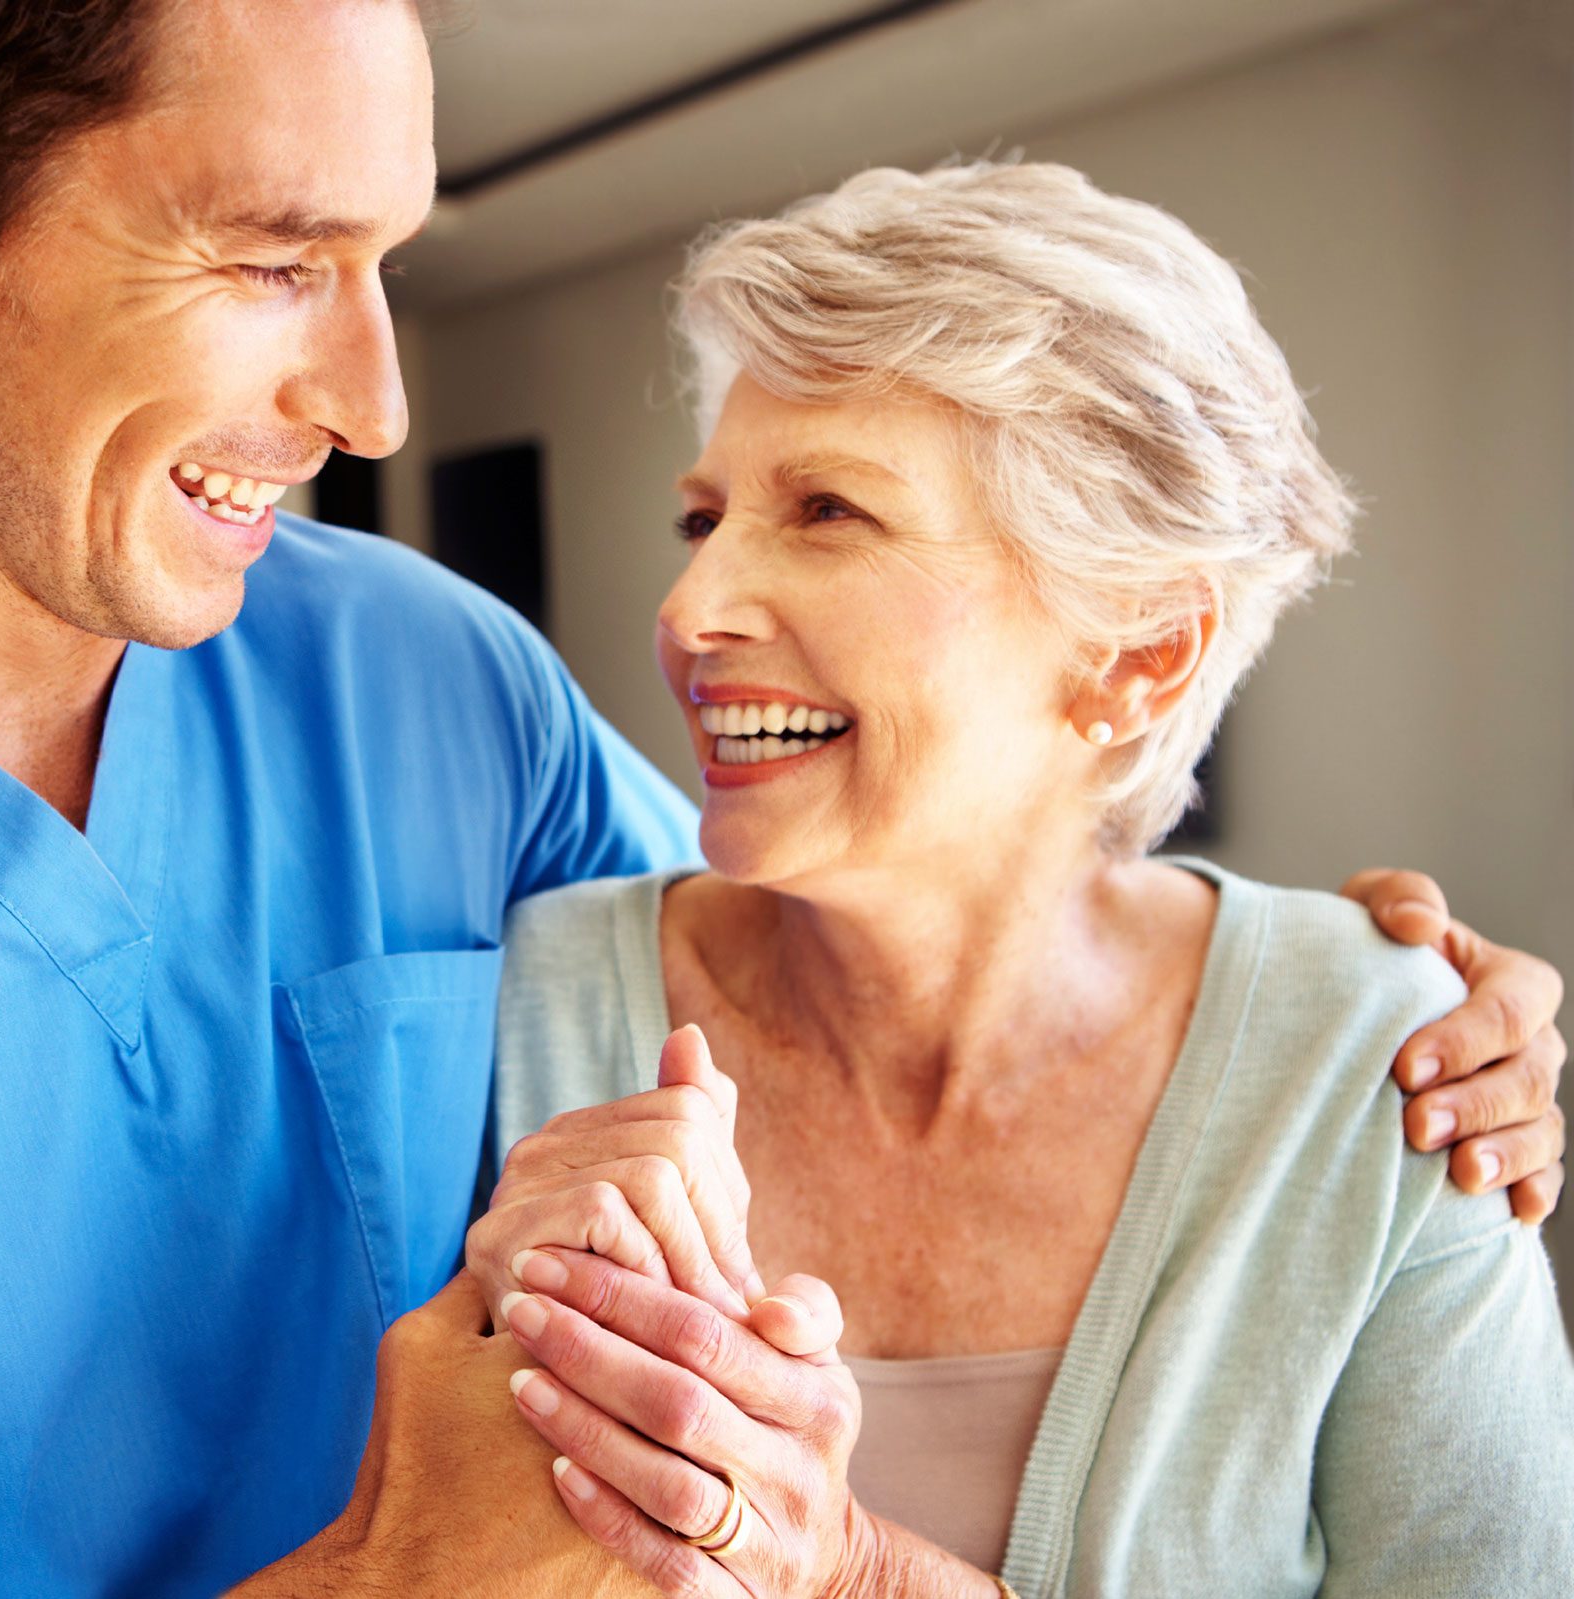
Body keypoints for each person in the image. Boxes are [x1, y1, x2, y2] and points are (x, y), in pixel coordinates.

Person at [0, 3, 1563, 1593]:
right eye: (273, 253)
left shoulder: (430, 681)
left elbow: (844, 936)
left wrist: (1328, 991)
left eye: (389, 261)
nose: (378, 392)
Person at [470, 163, 1574, 1598]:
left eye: (828, 514)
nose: (690, 611)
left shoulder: (1391, 1064)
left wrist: (864, 1575)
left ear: (1135, 654)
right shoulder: (513, 1008)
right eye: (706, 516)